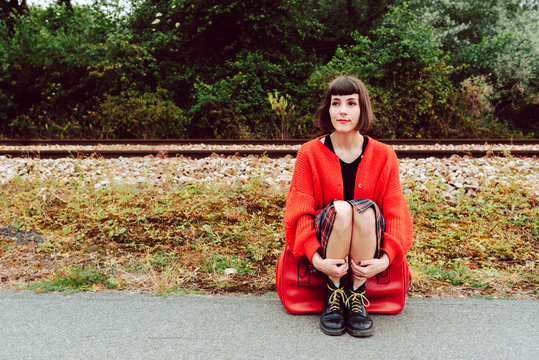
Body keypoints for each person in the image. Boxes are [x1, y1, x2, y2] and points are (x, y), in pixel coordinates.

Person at [283, 75, 413, 337]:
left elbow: (396, 212)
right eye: (336, 103)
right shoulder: (308, 153)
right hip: (327, 242)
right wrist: (316, 258)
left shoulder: (384, 155)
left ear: (362, 109)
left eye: (351, 103)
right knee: (342, 209)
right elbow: (298, 212)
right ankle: (334, 291)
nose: (342, 111)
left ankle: (356, 293)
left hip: (368, 244)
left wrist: (386, 259)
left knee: (363, 209)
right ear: (327, 109)